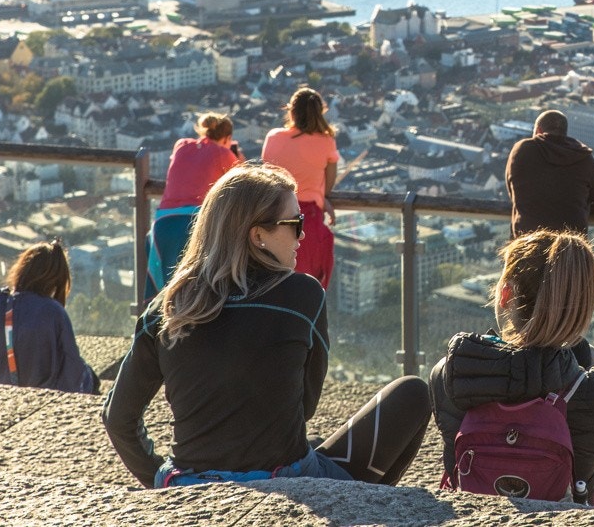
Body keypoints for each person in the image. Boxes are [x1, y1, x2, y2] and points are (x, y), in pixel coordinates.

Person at [103, 164, 431, 488]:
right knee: (413, 393)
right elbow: (302, 407)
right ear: (258, 235)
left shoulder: (167, 307)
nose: (302, 233)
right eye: (294, 222)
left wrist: (163, 479)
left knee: (313, 441)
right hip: (285, 478)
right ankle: (365, 506)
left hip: (189, 479)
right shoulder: (302, 295)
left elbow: (118, 418)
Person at [430, 230, 594, 504]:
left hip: (476, 503)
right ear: (582, 307)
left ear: (505, 295)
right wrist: (588, 367)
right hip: (573, 510)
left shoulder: (449, 375)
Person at [0, 240, 98, 394]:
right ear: (55, 281)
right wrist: (92, 380)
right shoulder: (52, 311)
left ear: (22, 270)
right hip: (39, 396)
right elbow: (72, 370)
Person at [146, 112, 242, 296]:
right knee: (191, 291)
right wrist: (236, 157)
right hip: (194, 224)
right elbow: (241, 184)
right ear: (228, 138)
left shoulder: (181, 145)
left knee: (162, 293)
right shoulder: (225, 154)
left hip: (162, 223)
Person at [261, 88, 341, 288]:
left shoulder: (273, 136)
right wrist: (324, 198)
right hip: (307, 219)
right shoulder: (326, 141)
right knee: (307, 289)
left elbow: (266, 174)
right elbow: (329, 179)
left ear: (291, 111)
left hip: (272, 214)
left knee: (273, 285)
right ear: (319, 112)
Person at [505, 109, 594, 240]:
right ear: (564, 133)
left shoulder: (522, 150)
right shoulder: (584, 157)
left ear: (539, 131)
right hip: (570, 246)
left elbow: (513, 192)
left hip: (527, 241)